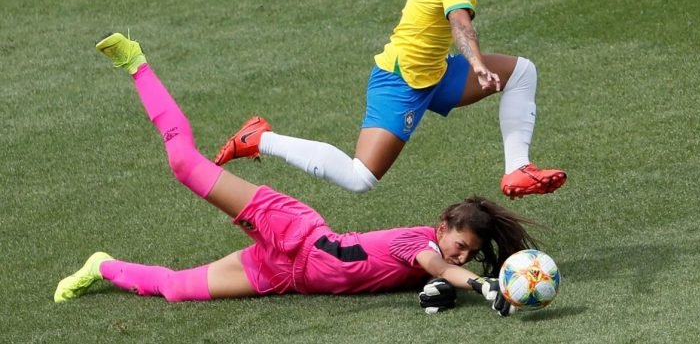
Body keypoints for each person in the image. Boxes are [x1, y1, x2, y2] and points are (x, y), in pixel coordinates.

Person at [54, 32, 538, 315]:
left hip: (286, 274)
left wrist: (444, 293)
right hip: (294, 233)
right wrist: (482, 286)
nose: (462, 252)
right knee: (184, 163)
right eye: (462, 242)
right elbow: (437, 266)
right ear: (442, 226)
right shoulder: (423, 245)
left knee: (177, 289)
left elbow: (430, 279)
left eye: (471, 253)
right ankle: (136, 62)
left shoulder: (427, 265)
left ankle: (100, 266)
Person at [214, 0, 567, 199]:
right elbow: (461, 23)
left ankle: (518, 169)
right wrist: (475, 63)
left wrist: (425, 17)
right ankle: (260, 138)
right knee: (360, 177)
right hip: (401, 79)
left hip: (436, 72)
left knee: (522, 72)